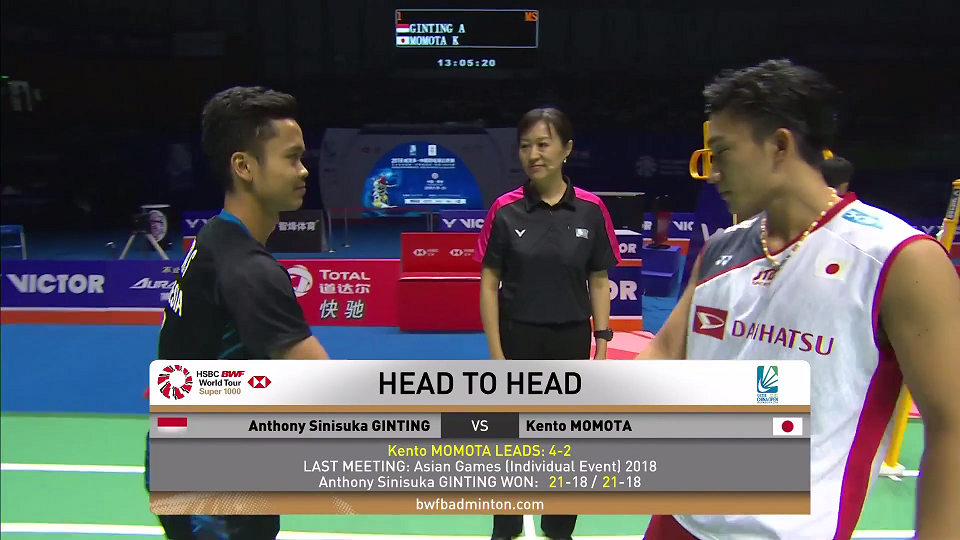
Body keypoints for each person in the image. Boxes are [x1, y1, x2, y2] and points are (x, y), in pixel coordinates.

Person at [637, 59, 960, 539]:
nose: (713, 173)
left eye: (722, 153)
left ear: (780, 146)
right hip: (678, 521)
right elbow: (664, 356)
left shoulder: (899, 259)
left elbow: (950, 424)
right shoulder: (722, 249)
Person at [145, 86, 330, 540]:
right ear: (244, 166)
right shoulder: (248, 270)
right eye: (291, 158)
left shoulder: (214, 237)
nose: (304, 170)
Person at [473, 107, 622, 540]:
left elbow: (598, 280)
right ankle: (506, 527)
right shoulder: (505, 210)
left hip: (571, 339)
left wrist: (602, 345)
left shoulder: (592, 209)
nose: (533, 154)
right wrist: (496, 353)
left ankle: (558, 528)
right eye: (525, 146)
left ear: (566, 149)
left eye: (543, 144)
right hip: (517, 337)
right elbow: (489, 284)